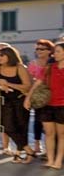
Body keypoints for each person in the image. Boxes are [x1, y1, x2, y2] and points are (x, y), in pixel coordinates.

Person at [0, 45, 32, 162]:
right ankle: (28, 149)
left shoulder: (20, 67)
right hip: (6, 101)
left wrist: (8, 84)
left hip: (21, 100)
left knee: (21, 127)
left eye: (1, 55)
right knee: (8, 127)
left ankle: (20, 154)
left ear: (9, 56)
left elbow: (27, 86)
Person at [25, 41, 64, 169]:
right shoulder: (50, 67)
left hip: (62, 106)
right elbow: (38, 83)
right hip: (47, 104)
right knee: (49, 133)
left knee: (61, 135)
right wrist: (28, 98)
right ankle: (50, 160)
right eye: (55, 51)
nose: (55, 54)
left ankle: (58, 161)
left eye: (58, 51)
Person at [27, 39, 55, 156]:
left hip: (54, 95)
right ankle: (38, 144)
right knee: (38, 121)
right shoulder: (33, 64)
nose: (38, 51)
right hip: (39, 96)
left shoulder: (54, 62)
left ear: (49, 51)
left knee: (52, 124)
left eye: (41, 49)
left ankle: (51, 149)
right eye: (37, 49)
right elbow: (29, 80)